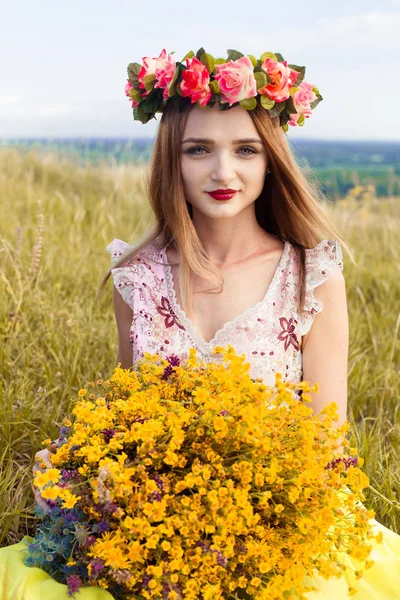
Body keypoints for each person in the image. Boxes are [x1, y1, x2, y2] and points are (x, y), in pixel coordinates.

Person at [1, 48, 400, 599]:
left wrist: (251, 527)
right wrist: (81, 469)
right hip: (153, 529)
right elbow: (128, 418)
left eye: (245, 150)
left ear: (270, 160)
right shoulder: (136, 276)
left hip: (280, 525)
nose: (223, 172)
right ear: (173, 160)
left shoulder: (310, 275)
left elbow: (326, 443)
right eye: (198, 150)